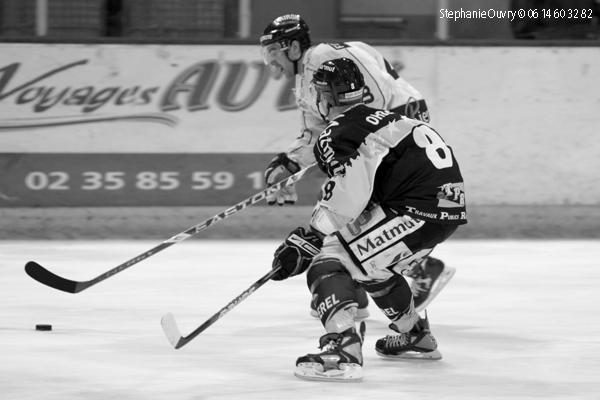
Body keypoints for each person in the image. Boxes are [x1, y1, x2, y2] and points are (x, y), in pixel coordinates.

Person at [269, 57, 467, 382]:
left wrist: (314, 235)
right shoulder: (382, 117)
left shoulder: (338, 131)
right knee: (370, 267)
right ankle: (414, 335)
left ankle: (343, 347)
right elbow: (369, 187)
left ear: (324, 98)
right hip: (443, 206)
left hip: (417, 207)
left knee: (329, 259)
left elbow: (351, 186)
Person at [260, 14, 455, 318]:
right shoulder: (307, 80)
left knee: (359, 205)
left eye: (273, 50)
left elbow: (366, 106)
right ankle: (365, 285)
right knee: (357, 208)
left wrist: (346, 145)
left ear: (294, 47)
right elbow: (316, 135)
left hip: (400, 124)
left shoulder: (326, 57)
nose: (269, 60)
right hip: (388, 129)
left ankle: (411, 270)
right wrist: (288, 163)